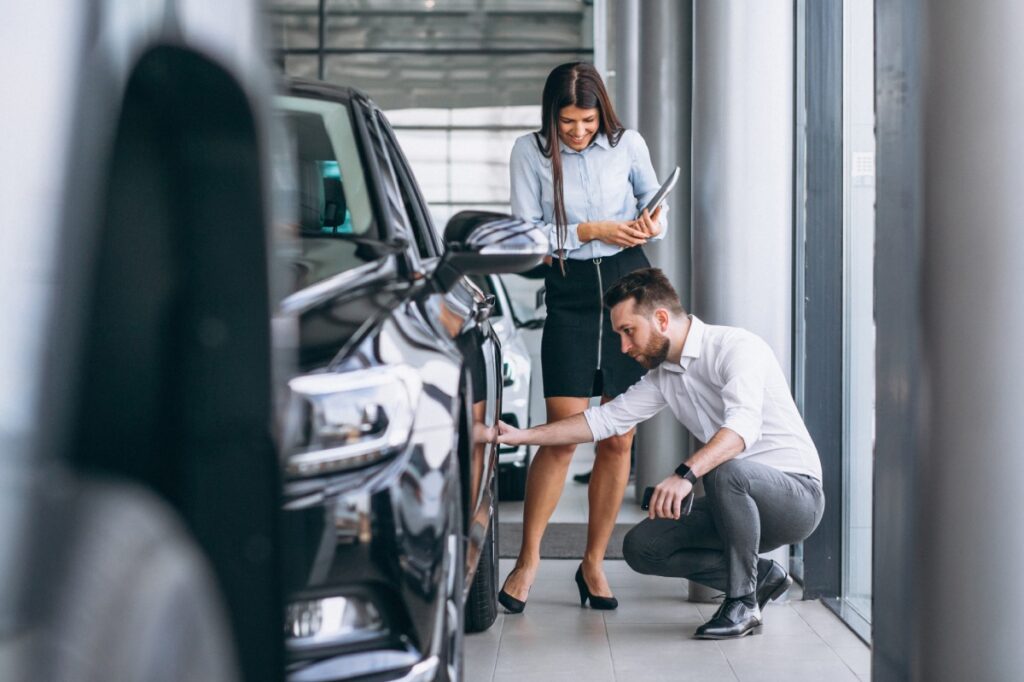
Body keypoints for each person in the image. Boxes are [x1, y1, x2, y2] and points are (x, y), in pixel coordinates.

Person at [497, 268, 825, 639]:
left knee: (725, 470)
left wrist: (684, 475)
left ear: (662, 319)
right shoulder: (665, 377)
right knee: (643, 547)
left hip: (796, 499)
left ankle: (743, 602)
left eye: (628, 331)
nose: (623, 347)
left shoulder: (736, 348)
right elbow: (604, 420)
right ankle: (761, 576)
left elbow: (741, 431)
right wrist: (522, 436)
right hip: (735, 503)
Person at [499, 62, 669, 613]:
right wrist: (589, 230)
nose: (578, 131)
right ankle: (527, 560)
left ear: (602, 114)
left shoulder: (628, 144)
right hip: (569, 291)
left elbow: (655, 205)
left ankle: (593, 563)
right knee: (562, 435)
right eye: (568, 121)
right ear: (552, 114)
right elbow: (526, 235)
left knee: (618, 439)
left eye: (588, 121)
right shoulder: (529, 152)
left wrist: (652, 222)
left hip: (629, 287)